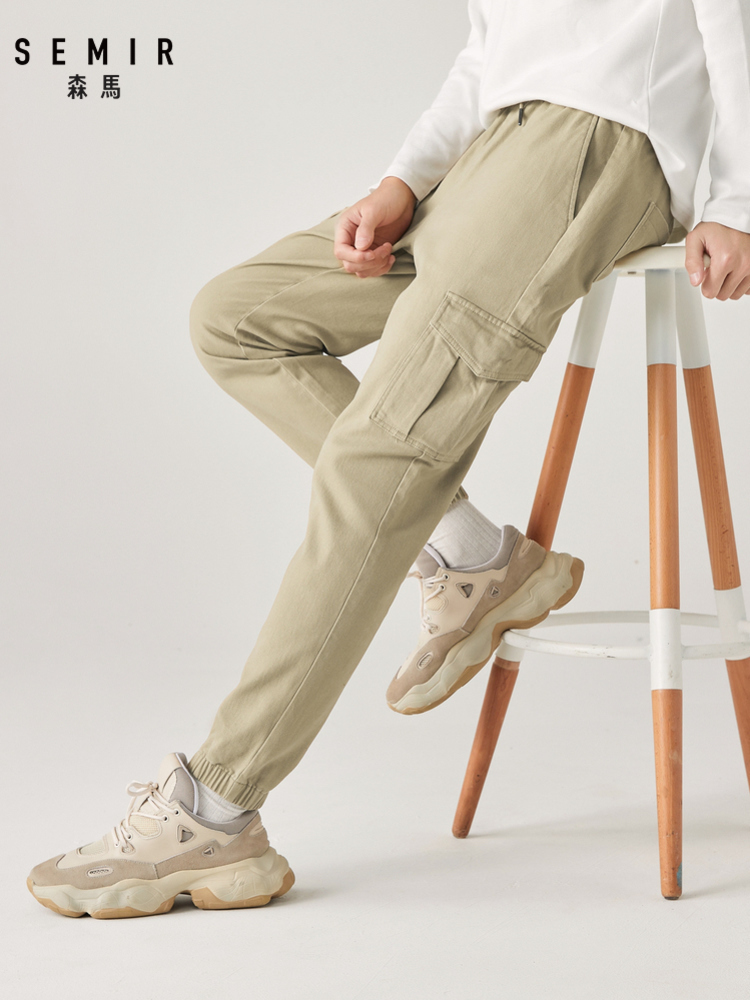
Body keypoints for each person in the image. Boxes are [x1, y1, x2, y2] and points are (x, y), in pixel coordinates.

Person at [28, 0, 750, 919]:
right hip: (489, 151)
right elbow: (487, 49)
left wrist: (735, 201)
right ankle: (475, 555)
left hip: (592, 148)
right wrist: (404, 179)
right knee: (236, 319)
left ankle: (216, 808)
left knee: (376, 457)